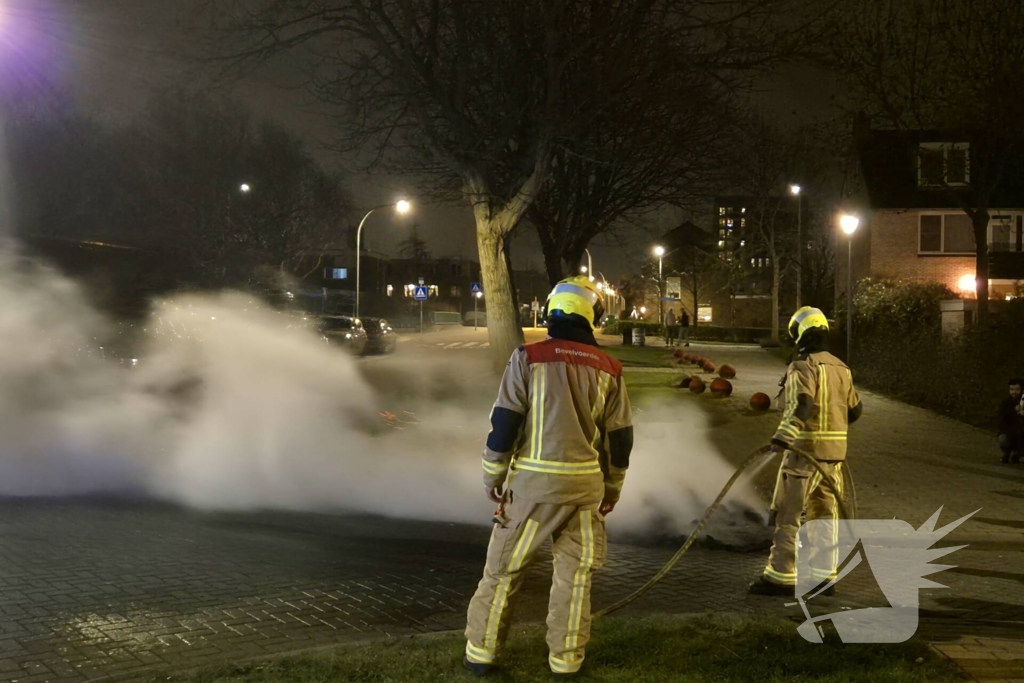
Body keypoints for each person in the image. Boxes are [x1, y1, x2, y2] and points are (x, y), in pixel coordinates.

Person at [464, 275, 634, 678]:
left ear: (552, 311)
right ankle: (566, 661)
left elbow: (505, 422)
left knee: (503, 571)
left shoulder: (528, 357)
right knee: (575, 579)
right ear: (592, 315)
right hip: (585, 491)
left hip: (533, 490)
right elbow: (620, 438)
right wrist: (613, 488)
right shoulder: (610, 368)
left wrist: (492, 474)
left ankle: (481, 654)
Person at [749, 306, 863, 597]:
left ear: (799, 333)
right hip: (834, 458)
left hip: (804, 456)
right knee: (824, 517)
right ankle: (823, 579)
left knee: (789, 516)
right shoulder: (842, 368)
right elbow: (855, 410)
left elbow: (802, 404)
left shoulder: (803, 366)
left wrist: (782, 437)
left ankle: (781, 577)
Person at [998, 378, 1024, 464]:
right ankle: (1007, 452)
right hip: (1010, 432)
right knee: (1003, 439)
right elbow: (1001, 420)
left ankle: (1018, 454)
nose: (1014, 392)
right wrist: (1014, 412)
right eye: (1012, 389)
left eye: (1017, 389)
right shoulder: (1006, 403)